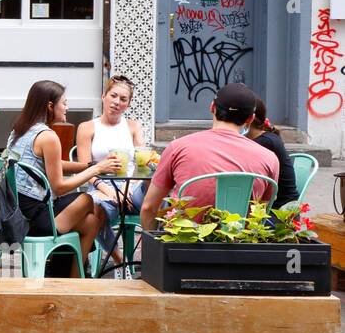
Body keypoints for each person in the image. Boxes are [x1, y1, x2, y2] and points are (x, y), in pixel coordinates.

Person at [8, 80, 122, 271]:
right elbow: (58, 187)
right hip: (36, 219)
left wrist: (89, 164)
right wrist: (95, 170)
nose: (67, 107)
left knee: (93, 221)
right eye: (65, 103)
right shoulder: (48, 136)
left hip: (18, 212)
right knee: (86, 200)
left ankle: (76, 277)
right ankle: (67, 273)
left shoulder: (19, 130)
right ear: (50, 106)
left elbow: (54, 165)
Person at [140, 83, 280, 232]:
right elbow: (259, 215)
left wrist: (153, 250)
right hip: (240, 247)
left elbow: (149, 208)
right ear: (250, 119)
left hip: (184, 246)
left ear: (212, 107)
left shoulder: (178, 147)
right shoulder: (269, 159)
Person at [75, 75, 148, 263]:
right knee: (94, 211)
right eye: (113, 96)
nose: (117, 102)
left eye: (123, 99)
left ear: (128, 104)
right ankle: (121, 261)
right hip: (101, 185)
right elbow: (85, 169)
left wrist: (129, 187)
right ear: (103, 96)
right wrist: (107, 189)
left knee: (163, 204)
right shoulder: (87, 128)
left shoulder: (133, 127)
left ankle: (154, 261)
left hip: (133, 186)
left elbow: (144, 164)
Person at [246, 97, 299, 208]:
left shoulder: (263, 143)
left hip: (278, 211)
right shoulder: (266, 137)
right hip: (281, 204)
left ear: (249, 119)